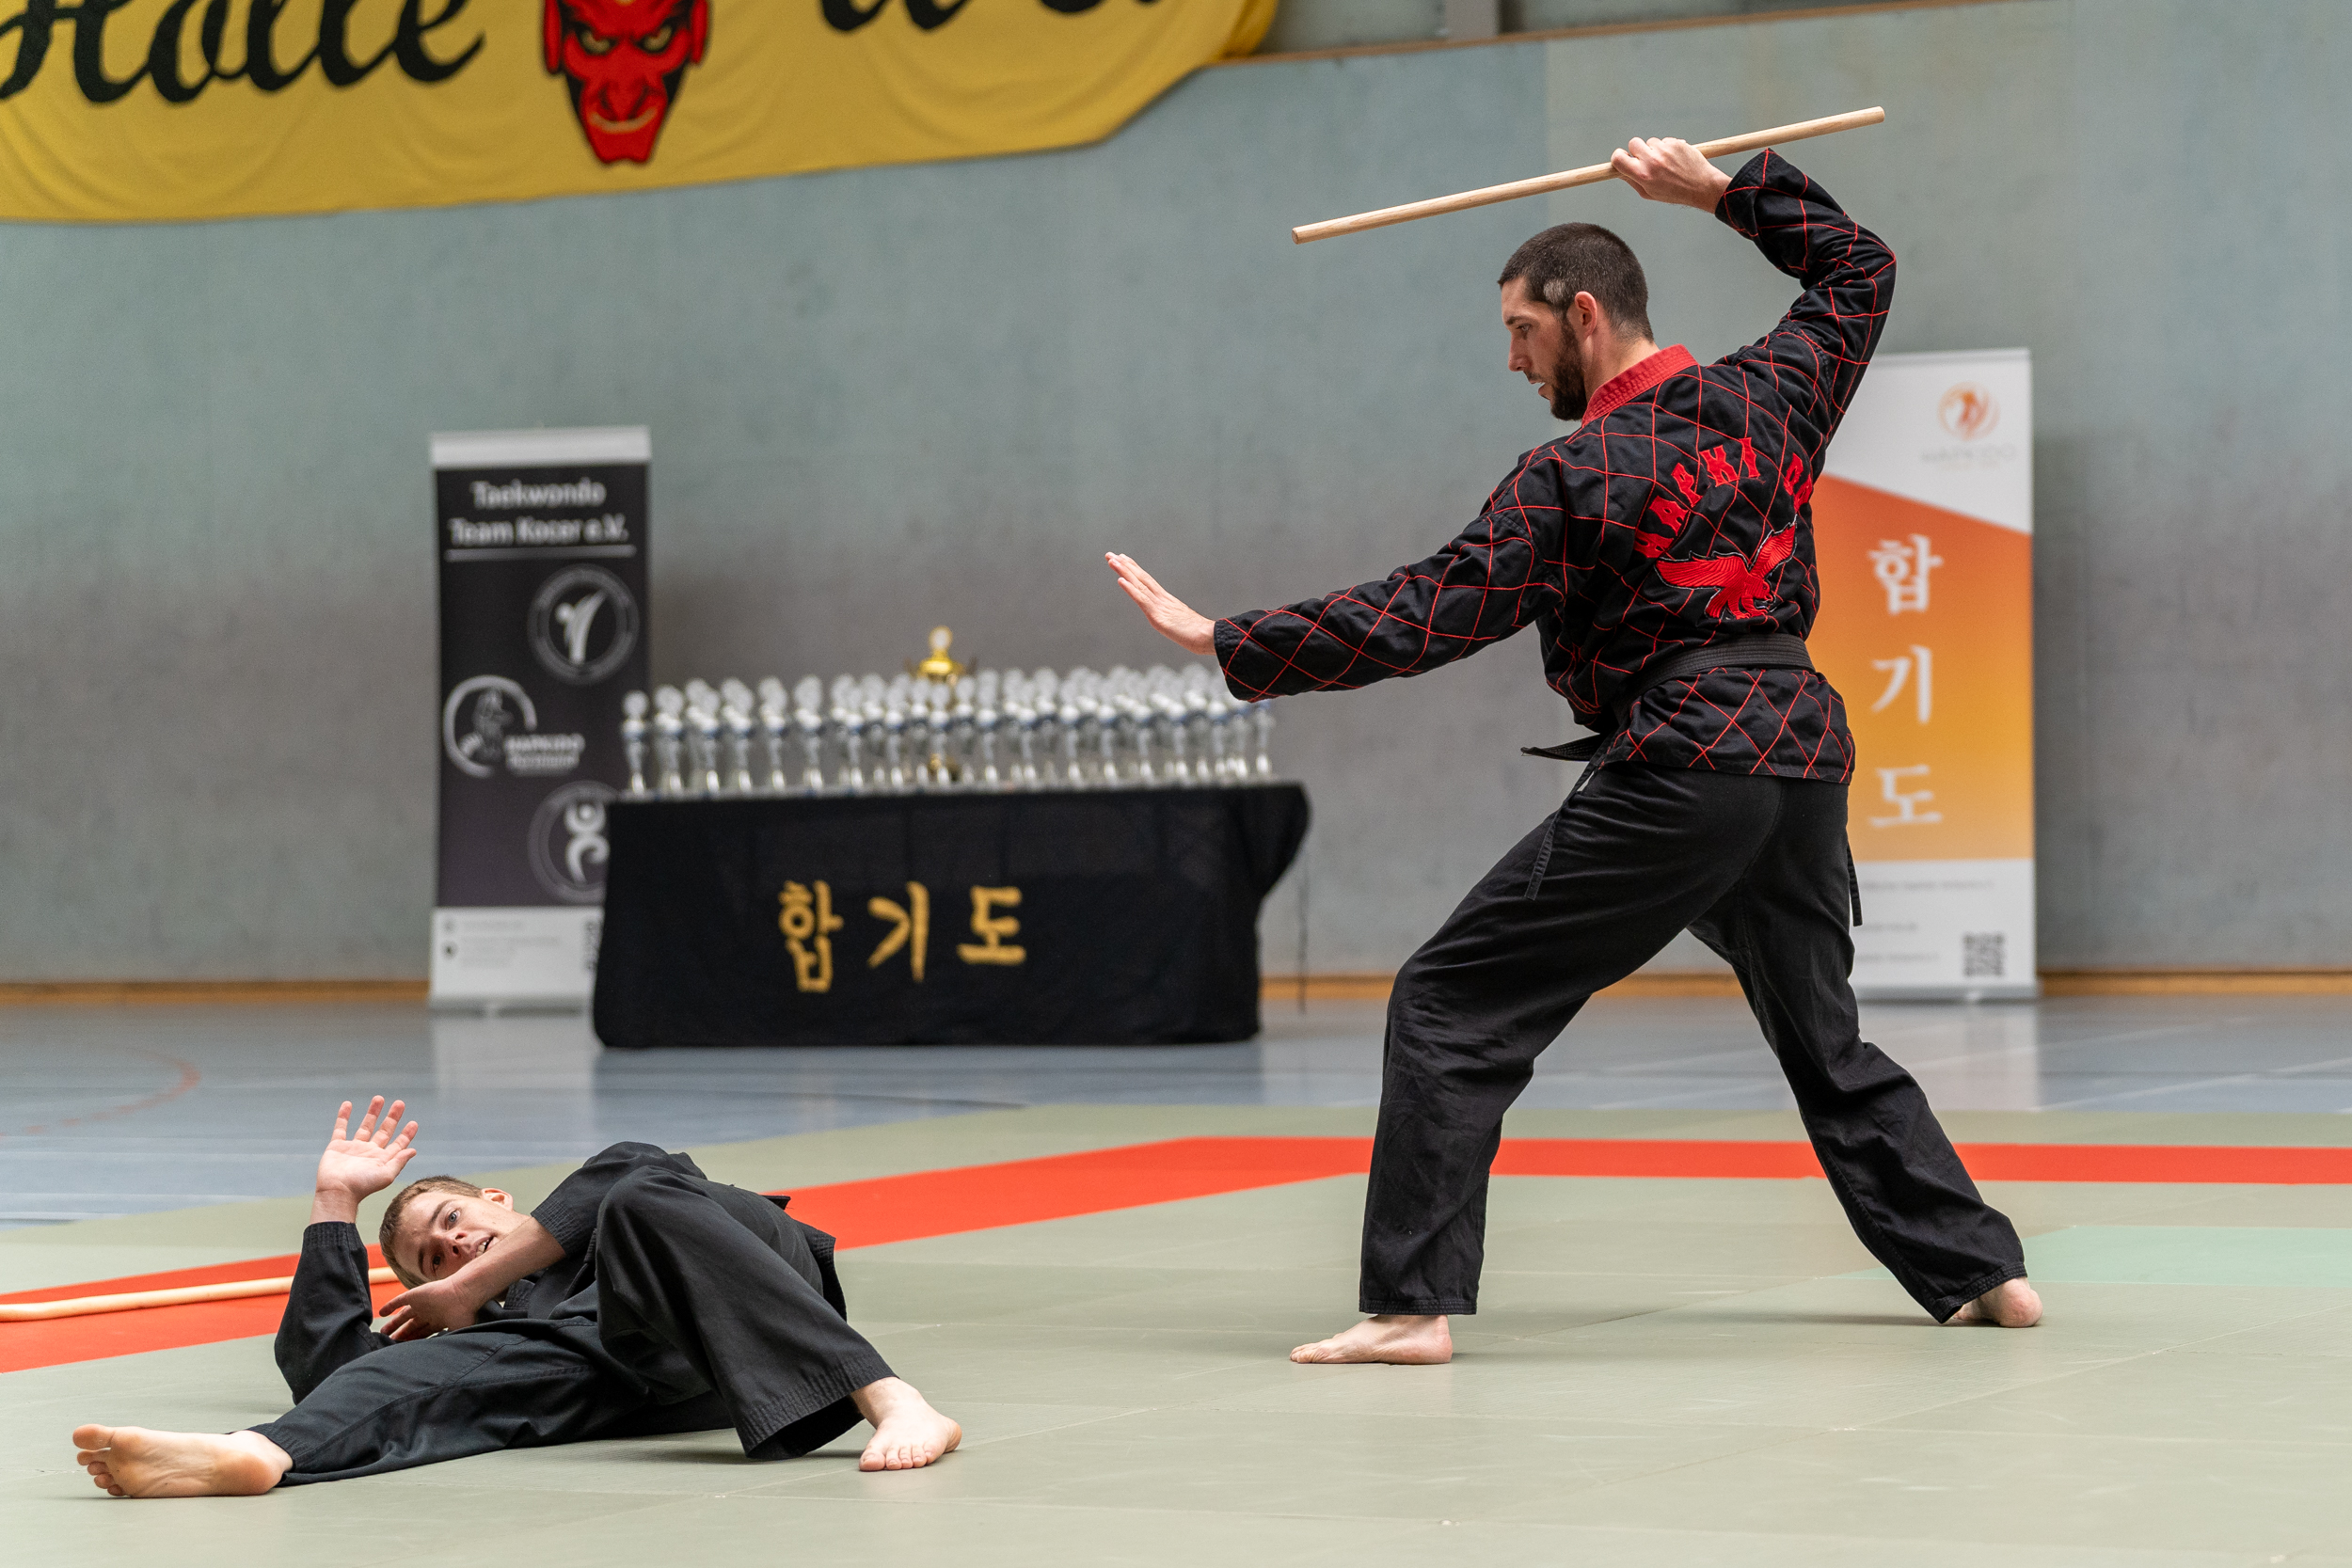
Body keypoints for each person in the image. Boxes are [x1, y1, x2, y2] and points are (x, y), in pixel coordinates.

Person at [1106, 136, 2040, 1366]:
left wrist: (1230, 638)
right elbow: (1859, 268)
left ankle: (1409, 1303)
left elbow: (1425, 610)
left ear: (1582, 313)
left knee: (1449, 998)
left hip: (1684, 759)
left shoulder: (1571, 472)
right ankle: (1980, 1269)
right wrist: (1716, 192)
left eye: (1521, 329)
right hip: (1803, 753)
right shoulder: (1772, 393)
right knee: (1824, 1034)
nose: (1511, 358)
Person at [73, 1096, 959, 1497]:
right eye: (431, 1259)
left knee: (640, 1195)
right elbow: (327, 1369)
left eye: (454, 1219)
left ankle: (891, 1395)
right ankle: (258, 1456)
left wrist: (467, 1284)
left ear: (496, 1198)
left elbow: (636, 1162)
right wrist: (334, 1201)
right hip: (636, 1370)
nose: (452, 1245)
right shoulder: (510, 1323)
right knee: (468, 1366)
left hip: (739, 1280)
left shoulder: (589, 1214)